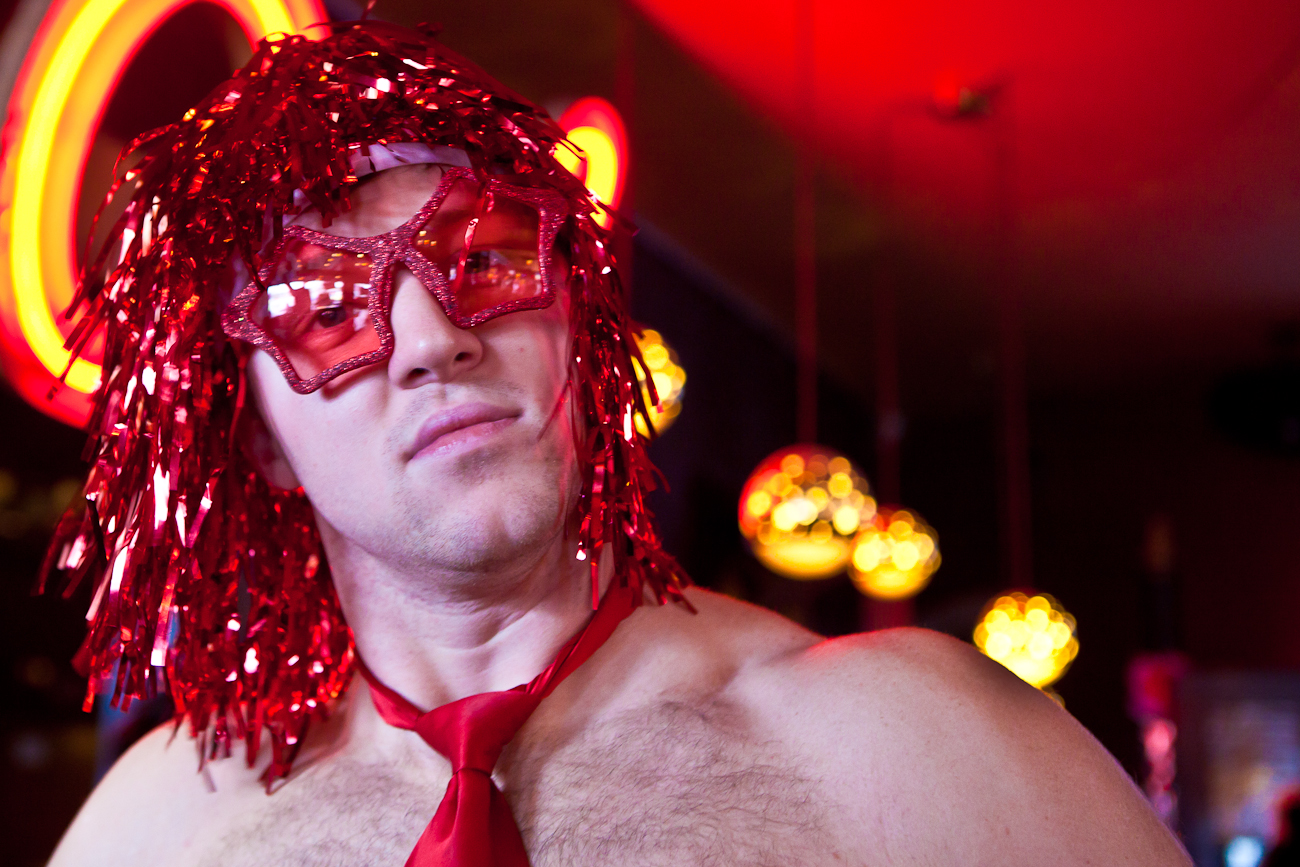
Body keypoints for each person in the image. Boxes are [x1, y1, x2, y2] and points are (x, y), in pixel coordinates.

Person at [42, 19, 1190, 867]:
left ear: (573, 326)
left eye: (482, 257)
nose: (433, 339)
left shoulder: (918, 747)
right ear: (258, 438)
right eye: (328, 310)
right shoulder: (163, 829)